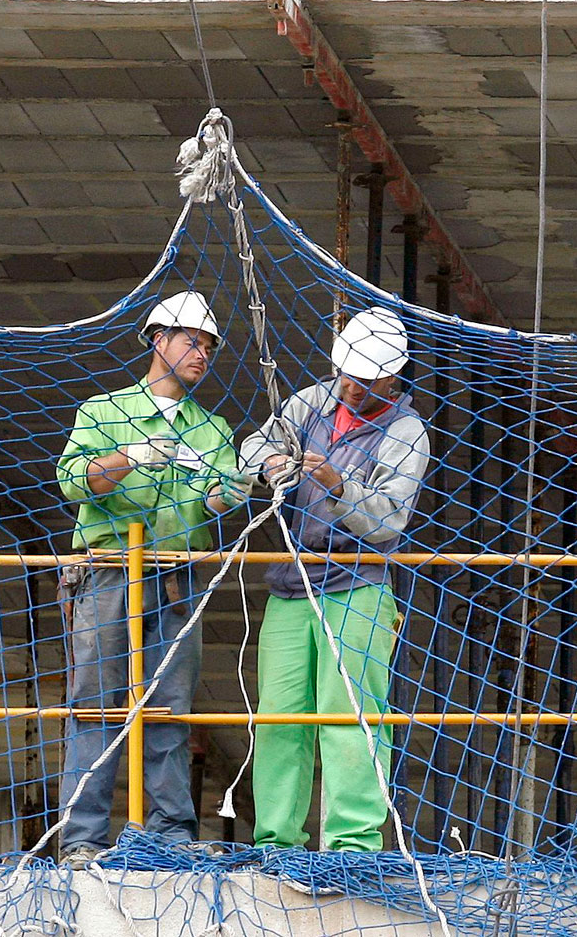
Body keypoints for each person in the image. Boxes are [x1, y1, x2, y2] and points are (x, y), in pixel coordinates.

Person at [55, 289, 253, 864]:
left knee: (168, 706)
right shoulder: (103, 412)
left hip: (175, 577)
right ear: (157, 341)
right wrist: (126, 458)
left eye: (210, 348)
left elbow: (215, 497)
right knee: (96, 704)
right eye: (192, 341)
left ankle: (170, 835)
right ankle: (83, 838)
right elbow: (73, 479)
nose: (202, 355)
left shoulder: (213, 429)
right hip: (109, 572)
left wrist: (230, 494)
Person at [240, 306, 430, 851]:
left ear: (391, 378)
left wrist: (336, 482)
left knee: (352, 715)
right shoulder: (312, 401)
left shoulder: (406, 432)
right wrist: (270, 465)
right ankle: (275, 841)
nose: (350, 386)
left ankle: (353, 843)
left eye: (364, 380)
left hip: (358, 585)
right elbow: (254, 445)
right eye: (346, 373)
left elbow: (390, 519)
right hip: (292, 581)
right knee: (279, 717)